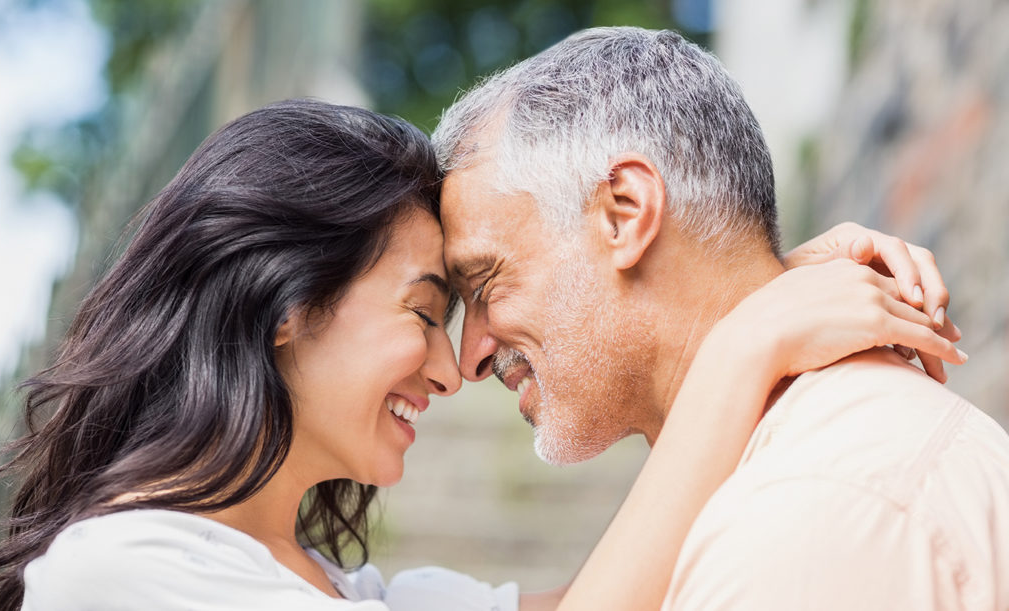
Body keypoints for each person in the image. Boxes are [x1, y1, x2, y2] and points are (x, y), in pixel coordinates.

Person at [0, 99, 964, 611]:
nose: (453, 369)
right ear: (286, 305)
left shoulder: (337, 585)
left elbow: (623, 590)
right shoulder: (118, 569)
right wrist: (750, 336)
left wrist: (748, 287)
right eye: (423, 309)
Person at [432, 26, 1009, 610]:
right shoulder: (802, 480)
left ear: (625, 215)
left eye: (484, 283)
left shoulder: (799, 524)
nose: (469, 357)